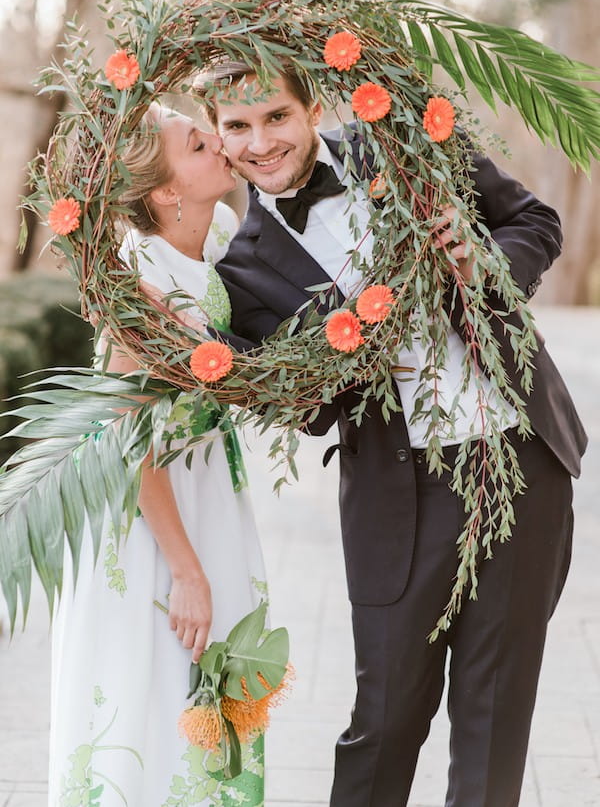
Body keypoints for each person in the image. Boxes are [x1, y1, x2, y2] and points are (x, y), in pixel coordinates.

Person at [195, 62, 588, 807]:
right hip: (397, 497)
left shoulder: (407, 146)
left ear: (313, 105)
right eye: (237, 126)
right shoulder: (241, 272)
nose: (261, 142)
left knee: (495, 714)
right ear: (216, 135)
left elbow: (536, 221)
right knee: (383, 720)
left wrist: (479, 262)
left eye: (275, 115)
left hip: (520, 459)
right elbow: (307, 410)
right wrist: (334, 360)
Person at [48, 105, 267, 807]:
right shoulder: (137, 274)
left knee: (216, 681)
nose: (222, 146)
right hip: (148, 506)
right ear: (168, 193)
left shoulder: (225, 232)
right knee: (145, 684)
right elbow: (124, 434)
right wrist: (185, 568)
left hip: (210, 483)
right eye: (200, 144)